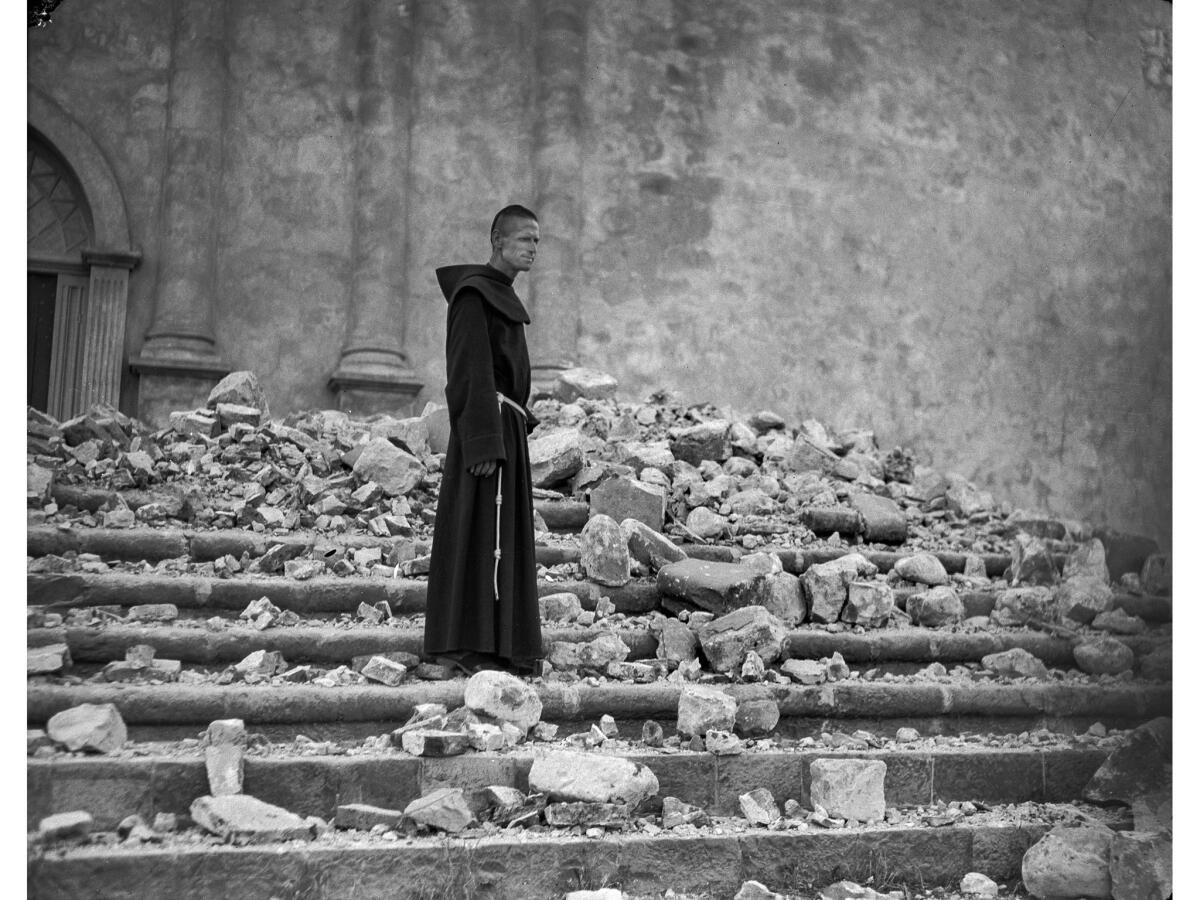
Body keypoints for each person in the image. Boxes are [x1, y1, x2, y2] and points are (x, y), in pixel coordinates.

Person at [423, 205, 544, 677]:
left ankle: (499, 646)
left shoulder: (502, 295)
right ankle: (463, 645)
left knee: (499, 534)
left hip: (505, 427)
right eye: (525, 239)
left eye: (537, 241)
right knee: (477, 532)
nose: (533, 248)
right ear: (498, 240)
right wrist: (481, 442)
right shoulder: (473, 296)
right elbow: (468, 371)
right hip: (487, 428)